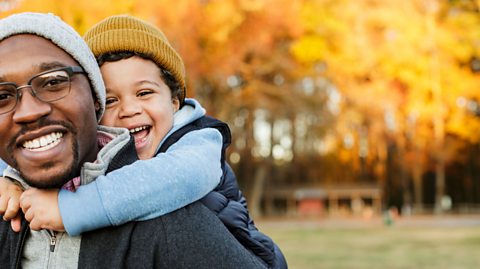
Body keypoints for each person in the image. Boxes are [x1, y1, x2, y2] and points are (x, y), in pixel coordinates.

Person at [1, 14, 287, 269]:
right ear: (95, 105)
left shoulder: (199, 142)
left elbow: (173, 179)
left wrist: (69, 209)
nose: (129, 110)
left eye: (145, 93)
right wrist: (12, 180)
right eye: (111, 100)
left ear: (175, 101)